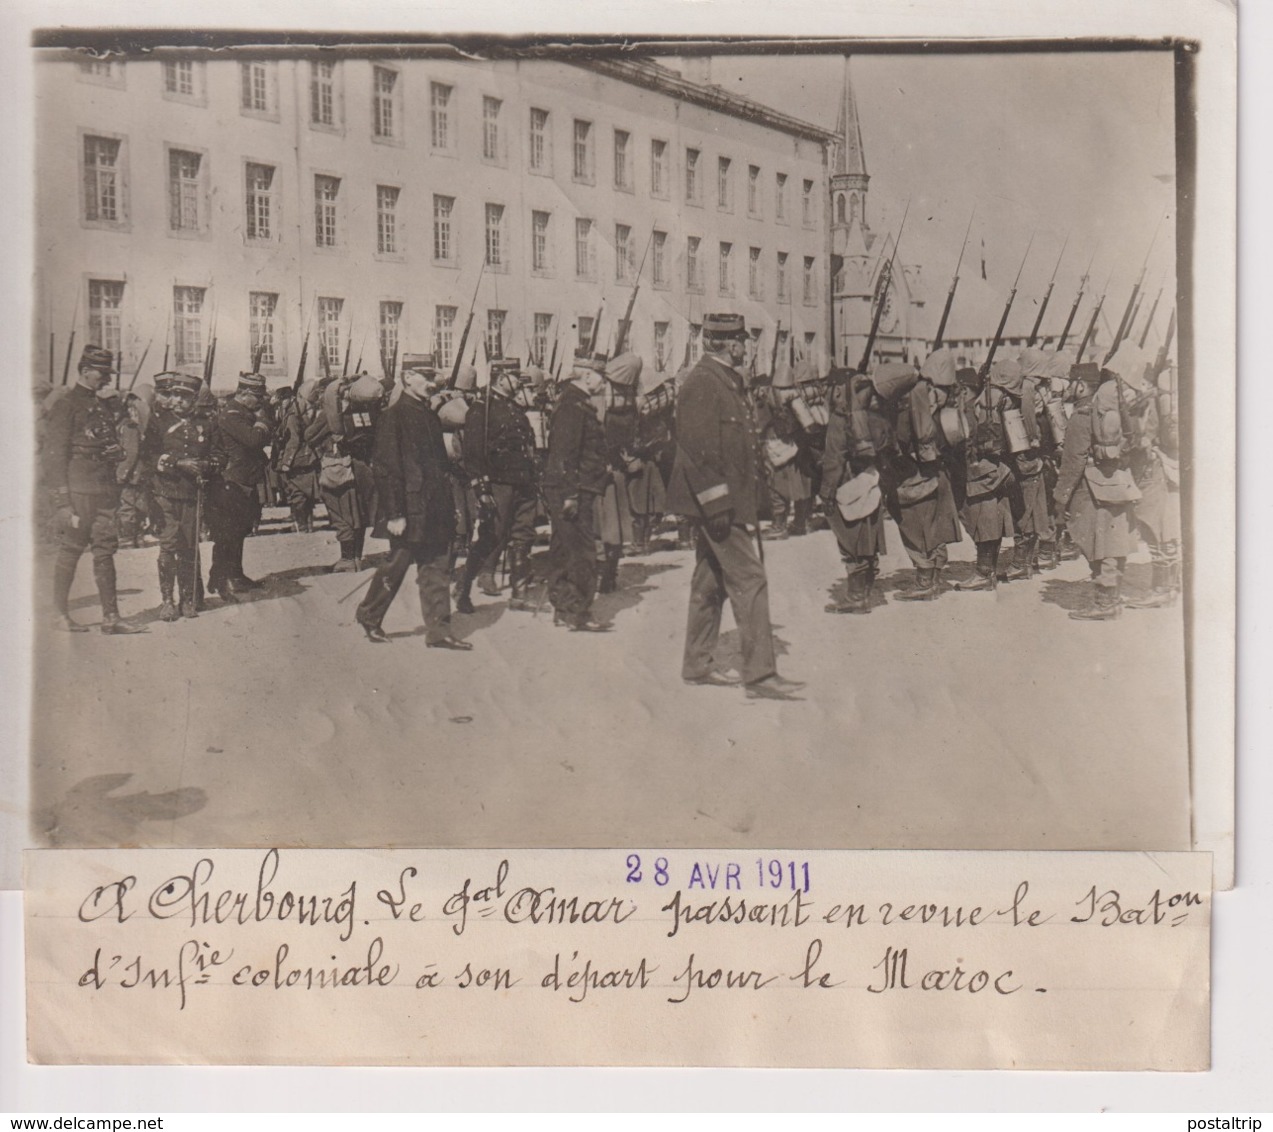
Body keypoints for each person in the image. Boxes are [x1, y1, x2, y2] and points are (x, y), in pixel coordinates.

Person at [666, 313, 802, 698]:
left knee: (709, 583)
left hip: (729, 501)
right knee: (750, 579)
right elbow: (697, 451)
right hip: (718, 504)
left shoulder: (725, 381)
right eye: (745, 340)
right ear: (732, 344)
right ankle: (760, 676)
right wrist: (717, 503)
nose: (748, 347)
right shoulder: (703, 383)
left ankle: (696, 664)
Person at [355, 359, 469, 649]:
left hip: (435, 506)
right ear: (408, 377)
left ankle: (439, 632)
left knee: (437, 567)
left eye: (433, 377)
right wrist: (394, 513)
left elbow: (440, 467)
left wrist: (450, 503)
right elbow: (386, 468)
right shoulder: (394, 416)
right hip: (409, 508)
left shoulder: (429, 415)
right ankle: (369, 615)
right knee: (397, 565)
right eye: (426, 377)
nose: (433, 383)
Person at [42, 344, 142, 633]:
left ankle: (111, 617)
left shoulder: (103, 406)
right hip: (78, 490)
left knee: (105, 549)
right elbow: (54, 455)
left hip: (103, 488)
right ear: (85, 372)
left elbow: (111, 443)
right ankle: (60, 615)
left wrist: (115, 453)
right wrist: (62, 501)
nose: (107, 380)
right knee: (71, 548)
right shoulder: (66, 405)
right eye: (102, 374)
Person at [1053, 361, 1141, 620]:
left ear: (1081, 385)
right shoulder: (1108, 411)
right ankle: (1110, 600)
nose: (1069, 387)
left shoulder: (1082, 415)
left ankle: (1104, 604)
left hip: (1090, 489)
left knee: (1095, 544)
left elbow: (1072, 461)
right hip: (1116, 483)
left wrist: (1061, 498)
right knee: (1112, 544)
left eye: (1072, 382)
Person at [456, 357, 539, 613]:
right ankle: (463, 588)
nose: (518, 382)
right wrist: (481, 489)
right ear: (501, 378)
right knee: (491, 538)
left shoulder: (515, 409)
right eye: (514, 377)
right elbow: (473, 453)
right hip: (499, 484)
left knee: (523, 536)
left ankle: (519, 593)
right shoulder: (481, 409)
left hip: (523, 482)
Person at [819, 364, 899, 614]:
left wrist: (826, 492)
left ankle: (855, 597)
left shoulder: (839, 419)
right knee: (866, 539)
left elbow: (833, 459)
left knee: (849, 541)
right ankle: (864, 592)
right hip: (871, 483)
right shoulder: (874, 414)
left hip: (846, 487)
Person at [542, 353, 611, 632]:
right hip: (572, 488)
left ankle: (562, 607)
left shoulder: (575, 402)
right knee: (582, 551)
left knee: (561, 548)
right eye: (601, 376)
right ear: (587, 375)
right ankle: (579, 611)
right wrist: (570, 494)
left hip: (571, 487)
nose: (604, 382)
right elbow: (564, 454)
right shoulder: (573, 405)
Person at [887, 350, 963, 600]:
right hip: (938, 469)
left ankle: (925, 581)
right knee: (934, 522)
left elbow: (920, 433)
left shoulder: (918, 391)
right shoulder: (950, 396)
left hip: (918, 469)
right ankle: (935, 575)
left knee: (913, 520)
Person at [144, 372, 214, 621]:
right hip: (165, 493)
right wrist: (177, 463)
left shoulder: (204, 423)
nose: (177, 401)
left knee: (188, 547)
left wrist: (206, 465)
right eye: (174, 395)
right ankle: (167, 601)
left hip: (191, 494)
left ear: (194, 399)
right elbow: (148, 457)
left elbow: (217, 454)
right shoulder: (158, 422)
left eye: (184, 397)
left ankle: (187, 599)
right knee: (168, 546)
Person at [308, 371, 383, 572]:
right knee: (357, 514)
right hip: (362, 470)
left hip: (339, 470)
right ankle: (356, 557)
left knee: (341, 514)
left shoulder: (331, 415)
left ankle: (347, 559)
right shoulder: (368, 411)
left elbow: (310, 436)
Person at [207, 372, 272, 601]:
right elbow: (254, 439)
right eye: (257, 396)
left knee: (241, 529)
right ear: (244, 394)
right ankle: (222, 578)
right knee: (228, 533)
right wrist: (263, 422)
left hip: (245, 479)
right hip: (233, 481)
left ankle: (236, 573)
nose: (260, 401)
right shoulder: (232, 415)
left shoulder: (244, 413)